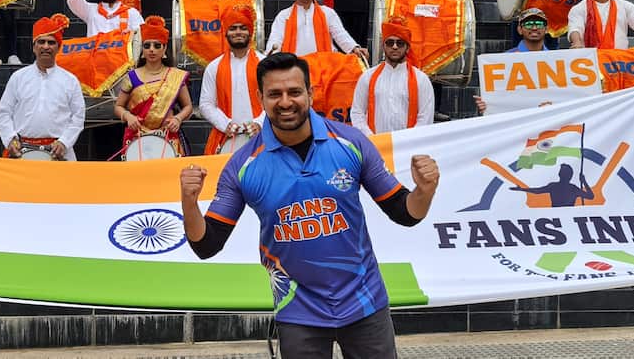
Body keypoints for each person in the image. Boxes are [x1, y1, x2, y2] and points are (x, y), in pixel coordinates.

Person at [180, 52, 440, 358]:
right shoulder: (243, 165)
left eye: (294, 92)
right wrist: (189, 204)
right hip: (298, 311)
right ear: (260, 98)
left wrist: (425, 190)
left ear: (311, 93)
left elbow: (404, 212)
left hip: (364, 302)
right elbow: (207, 244)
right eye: (275, 94)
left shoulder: (351, 143)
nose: (286, 102)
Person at [0, 14, 85, 160]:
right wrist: (10, 139)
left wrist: (64, 142)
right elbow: (3, 113)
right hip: (21, 151)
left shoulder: (70, 80)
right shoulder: (19, 77)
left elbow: (78, 117)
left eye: (51, 42)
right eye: (41, 42)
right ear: (34, 47)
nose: (46, 47)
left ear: (58, 47)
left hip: (59, 152)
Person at [114, 16, 193, 156]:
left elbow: (188, 107)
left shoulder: (175, 75)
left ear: (164, 49)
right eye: (147, 45)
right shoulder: (132, 76)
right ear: (142, 50)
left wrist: (178, 119)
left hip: (168, 136)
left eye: (157, 46)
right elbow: (118, 106)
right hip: (137, 138)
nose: (152, 50)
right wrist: (128, 117)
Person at [350, 17, 434, 135]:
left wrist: (410, 140)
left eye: (400, 43)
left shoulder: (421, 79)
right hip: (375, 146)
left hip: (409, 147)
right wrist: (371, 138)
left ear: (408, 47)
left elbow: (425, 118)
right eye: (390, 43)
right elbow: (357, 113)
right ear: (383, 46)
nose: (394, 47)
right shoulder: (367, 77)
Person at [199, 3, 263, 155]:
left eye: (243, 28)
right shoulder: (214, 67)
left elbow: (274, 101)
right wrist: (225, 124)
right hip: (226, 138)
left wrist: (259, 124)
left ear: (250, 32)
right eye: (233, 28)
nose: (238, 32)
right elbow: (206, 104)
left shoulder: (264, 64)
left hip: (261, 138)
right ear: (226, 33)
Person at [474, 7, 554, 115]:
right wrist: (487, 106)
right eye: (529, 24)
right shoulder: (505, 60)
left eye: (539, 23)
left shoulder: (557, 60)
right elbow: (498, 98)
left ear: (546, 29)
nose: (534, 28)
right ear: (520, 30)